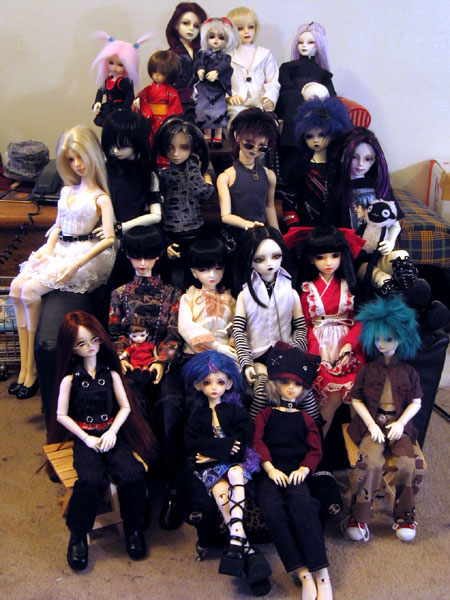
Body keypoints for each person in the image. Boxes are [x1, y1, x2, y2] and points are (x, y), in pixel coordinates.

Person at [9, 126, 115, 400]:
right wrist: (47, 249)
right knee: (16, 288)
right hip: (60, 250)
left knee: (29, 291)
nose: (77, 164)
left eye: (81, 157)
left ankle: (32, 371)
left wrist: (76, 264)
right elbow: (57, 226)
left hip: (83, 254)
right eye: (70, 159)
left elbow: (109, 239)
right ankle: (24, 367)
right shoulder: (67, 189)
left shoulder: (100, 198)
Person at [53, 310, 157, 570]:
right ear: (71, 348)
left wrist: (112, 432)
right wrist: (86, 438)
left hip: (112, 435)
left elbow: (125, 407)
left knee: (132, 474)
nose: (89, 347)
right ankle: (78, 534)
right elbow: (61, 415)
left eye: (94, 340)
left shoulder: (111, 375)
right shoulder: (70, 380)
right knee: (90, 480)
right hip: (86, 438)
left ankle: (134, 527)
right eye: (81, 343)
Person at [108, 225, 185, 530]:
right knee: (134, 407)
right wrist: (123, 356)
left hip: (162, 364)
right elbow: (115, 332)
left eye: (149, 256)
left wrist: (162, 360)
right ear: (127, 256)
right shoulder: (119, 294)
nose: (142, 263)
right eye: (135, 256)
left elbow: (174, 334)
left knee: (171, 407)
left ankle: (174, 488)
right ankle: (140, 487)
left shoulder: (172, 293)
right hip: (131, 364)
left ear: (158, 256)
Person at [183, 351, 272, 594]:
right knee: (222, 495)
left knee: (234, 473)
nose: (214, 387)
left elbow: (243, 436)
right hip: (211, 468)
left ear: (229, 384)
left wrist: (217, 452)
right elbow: (192, 442)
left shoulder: (234, 411)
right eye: (207, 382)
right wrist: (222, 448)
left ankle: (235, 539)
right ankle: (245, 547)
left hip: (235, 464)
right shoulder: (198, 415)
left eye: (220, 382)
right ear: (198, 385)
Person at [253, 342, 333, 600]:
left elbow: (316, 449)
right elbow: (257, 443)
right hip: (269, 472)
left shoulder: (306, 418)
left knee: (303, 504)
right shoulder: (264, 414)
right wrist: (268, 468)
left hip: (297, 471)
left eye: (297, 384)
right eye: (285, 382)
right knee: (271, 509)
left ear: (303, 389)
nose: (290, 388)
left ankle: (322, 573)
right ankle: (302, 571)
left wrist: (305, 468)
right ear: (275, 384)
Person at [345, 296, 423, 542]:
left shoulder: (409, 372)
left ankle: (405, 515)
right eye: (377, 338)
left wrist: (400, 423)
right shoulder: (367, 370)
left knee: (408, 463)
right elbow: (356, 399)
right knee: (370, 462)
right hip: (372, 425)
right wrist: (370, 424)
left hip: (399, 426)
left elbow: (417, 402)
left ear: (401, 338)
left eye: (387, 339)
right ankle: (359, 515)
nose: (381, 344)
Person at [233, 226, 307, 418]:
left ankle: (310, 432)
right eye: (259, 259)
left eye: (276, 256)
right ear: (250, 261)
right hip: (258, 355)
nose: (269, 264)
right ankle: (252, 430)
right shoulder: (245, 295)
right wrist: (246, 363)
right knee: (260, 393)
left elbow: (300, 327)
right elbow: (238, 331)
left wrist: (296, 350)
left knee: (307, 399)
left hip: (287, 354)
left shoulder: (290, 292)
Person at [297, 225, 365, 437]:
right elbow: (305, 324)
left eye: (335, 256)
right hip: (320, 344)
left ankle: (361, 444)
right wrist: (314, 351)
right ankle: (317, 445)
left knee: (357, 394)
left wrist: (350, 344)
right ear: (311, 259)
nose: (329, 263)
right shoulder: (308, 289)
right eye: (321, 257)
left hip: (346, 342)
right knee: (329, 400)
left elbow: (360, 318)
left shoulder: (348, 285)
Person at [98, 110, 162, 288]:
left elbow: (156, 215)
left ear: (137, 144)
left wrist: (121, 227)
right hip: (110, 237)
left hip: (136, 239)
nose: (115, 151)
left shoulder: (148, 175)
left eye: (122, 146)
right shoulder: (104, 172)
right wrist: (113, 228)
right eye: (112, 145)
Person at [155, 115, 214, 287]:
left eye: (184, 147)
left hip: (194, 231)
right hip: (174, 231)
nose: (175, 154)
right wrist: (208, 179)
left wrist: (197, 168)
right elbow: (204, 191)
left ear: (193, 147)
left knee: (192, 275)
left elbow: (202, 192)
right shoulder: (164, 175)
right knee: (178, 277)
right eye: (170, 147)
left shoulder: (191, 170)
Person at [217, 107, 279, 255]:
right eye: (249, 144)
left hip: (261, 237)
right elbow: (225, 216)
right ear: (237, 136)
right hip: (235, 237)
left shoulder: (269, 175)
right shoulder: (226, 177)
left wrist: (277, 236)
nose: (255, 150)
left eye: (262, 147)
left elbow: (269, 206)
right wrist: (246, 224)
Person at [283, 97, 352, 229]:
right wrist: (295, 228)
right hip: (307, 230)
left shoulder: (339, 167)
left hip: (336, 231)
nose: (316, 140)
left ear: (332, 135)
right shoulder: (300, 168)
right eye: (309, 136)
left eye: (321, 135)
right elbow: (288, 203)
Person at [277, 22, 336, 167]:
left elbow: (332, 95)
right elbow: (285, 86)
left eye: (310, 42)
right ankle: (291, 149)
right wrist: (301, 97)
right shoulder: (288, 67)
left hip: (316, 105)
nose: (304, 46)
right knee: (294, 99)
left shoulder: (323, 73)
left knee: (336, 108)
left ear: (319, 46)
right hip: (291, 104)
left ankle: (340, 152)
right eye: (301, 42)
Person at [178, 237, 237, 362]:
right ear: (194, 272)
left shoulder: (230, 300)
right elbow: (185, 326)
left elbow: (238, 327)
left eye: (218, 268)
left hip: (226, 354)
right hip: (195, 354)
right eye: (203, 270)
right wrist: (216, 346)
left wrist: (232, 345)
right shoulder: (189, 298)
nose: (212, 275)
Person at [226, 6, 280, 122]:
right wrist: (230, 97)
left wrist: (269, 98)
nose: (246, 31)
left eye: (251, 27)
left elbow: (272, 81)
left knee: (264, 122)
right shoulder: (228, 57)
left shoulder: (265, 54)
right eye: (240, 28)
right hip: (236, 106)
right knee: (237, 120)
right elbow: (222, 83)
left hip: (259, 103)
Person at [193, 17, 237, 146]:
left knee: (218, 111)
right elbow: (198, 63)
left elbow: (225, 66)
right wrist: (200, 70)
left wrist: (217, 72)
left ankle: (218, 135)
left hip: (218, 88)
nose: (216, 40)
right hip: (204, 87)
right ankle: (207, 135)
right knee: (203, 110)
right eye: (212, 36)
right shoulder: (202, 54)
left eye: (221, 37)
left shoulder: (226, 57)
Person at [91, 31, 149, 127]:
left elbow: (129, 97)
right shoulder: (108, 80)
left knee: (117, 128)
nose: (114, 67)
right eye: (111, 63)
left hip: (120, 109)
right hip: (108, 108)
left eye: (120, 64)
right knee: (106, 127)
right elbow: (101, 91)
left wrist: (124, 110)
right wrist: (98, 102)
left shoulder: (124, 82)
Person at [133, 50, 183, 155]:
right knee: (149, 140)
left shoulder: (171, 91)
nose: (157, 76)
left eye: (162, 73)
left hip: (164, 120)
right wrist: (146, 113)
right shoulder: (147, 90)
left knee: (164, 139)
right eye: (154, 72)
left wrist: (169, 121)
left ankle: (164, 159)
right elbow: (142, 100)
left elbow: (175, 106)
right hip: (150, 120)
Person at [165, 2, 208, 121]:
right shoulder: (169, 55)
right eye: (185, 23)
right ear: (175, 25)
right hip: (178, 105)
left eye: (196, 26)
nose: (191, 29)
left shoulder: (204, 53)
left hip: (204, 104)